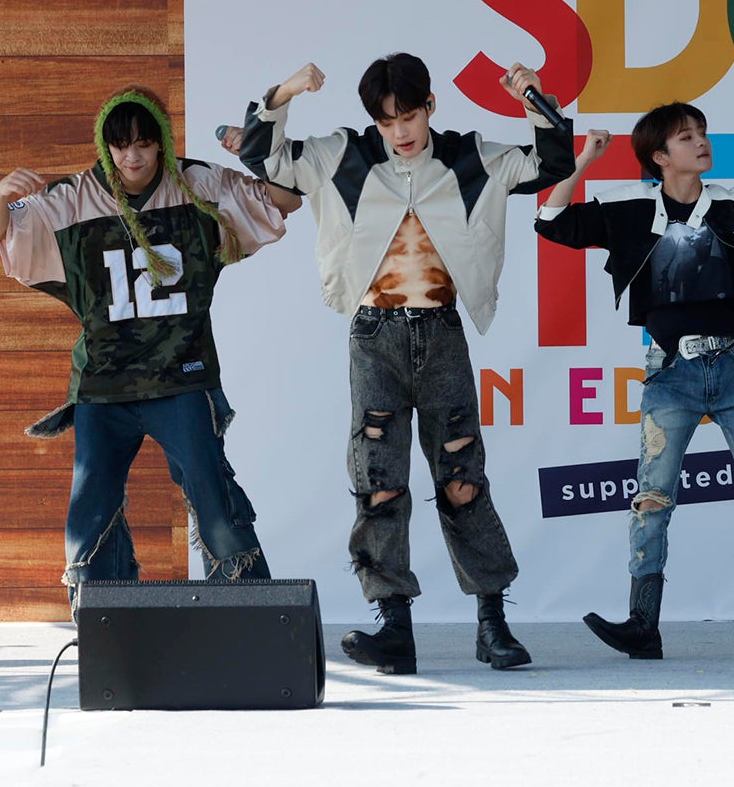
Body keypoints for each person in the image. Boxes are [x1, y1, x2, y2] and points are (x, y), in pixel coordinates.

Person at [238, 54, 573, 673]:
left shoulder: (471, 157)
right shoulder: (343, 155)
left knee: (462, 477)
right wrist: (284, 92)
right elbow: (265, 157)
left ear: (430, 107)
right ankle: (394, 627)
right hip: (374, 334)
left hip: (441, 330)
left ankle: (493, 625)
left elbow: (553, 163)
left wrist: (534, 99)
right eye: (387, 120)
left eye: (409, 115)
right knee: (379, 480)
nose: (400, 130)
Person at [0, 86, 299, 614]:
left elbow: (284, 202)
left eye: (144, 144)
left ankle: (248, 616)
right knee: (92, 505)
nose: (133, 156)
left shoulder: (197, 183)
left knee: (212, 493)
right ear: (106, 146)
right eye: (121, 145)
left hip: (181, 375)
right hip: (104, 382)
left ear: (161, 143)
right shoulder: (75, 196)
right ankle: (103, 620)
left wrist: (259, 157)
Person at [533, 103, 734, 659]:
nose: (701, 142)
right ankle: (642, 626)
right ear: (659, 156)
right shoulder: (629, 206)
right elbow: (551, 222)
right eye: (686, 137)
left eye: (702, 133)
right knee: (651, 499)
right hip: (671, 374)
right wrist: (584, 161)